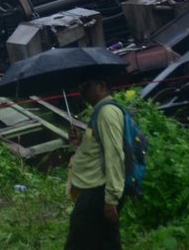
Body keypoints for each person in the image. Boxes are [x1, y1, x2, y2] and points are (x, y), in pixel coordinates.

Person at [65, 76, 126, 250]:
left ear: (102, 86)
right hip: (96, 187)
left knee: (79, 239)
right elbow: (98, 148)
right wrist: (80, 141)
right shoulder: (99, 112)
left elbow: (114, 154)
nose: (82, 91)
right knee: (106, 240)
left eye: (87, 85)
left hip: (99, 189)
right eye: (81, 86)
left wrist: (111, 198)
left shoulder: (107, 113)